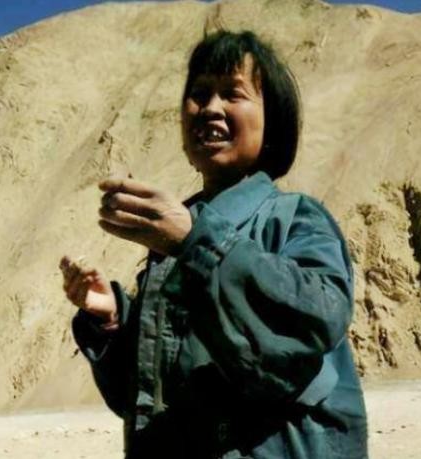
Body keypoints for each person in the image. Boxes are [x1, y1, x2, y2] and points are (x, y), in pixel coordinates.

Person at [60, 30, 367, 459]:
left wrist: (197, 242)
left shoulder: (294, 218)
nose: (210, 108)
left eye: (232, 93)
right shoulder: (175, 239)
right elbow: (147, 398)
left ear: (272, 120)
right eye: (199, 94)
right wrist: (111, 322)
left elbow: (317, 318)